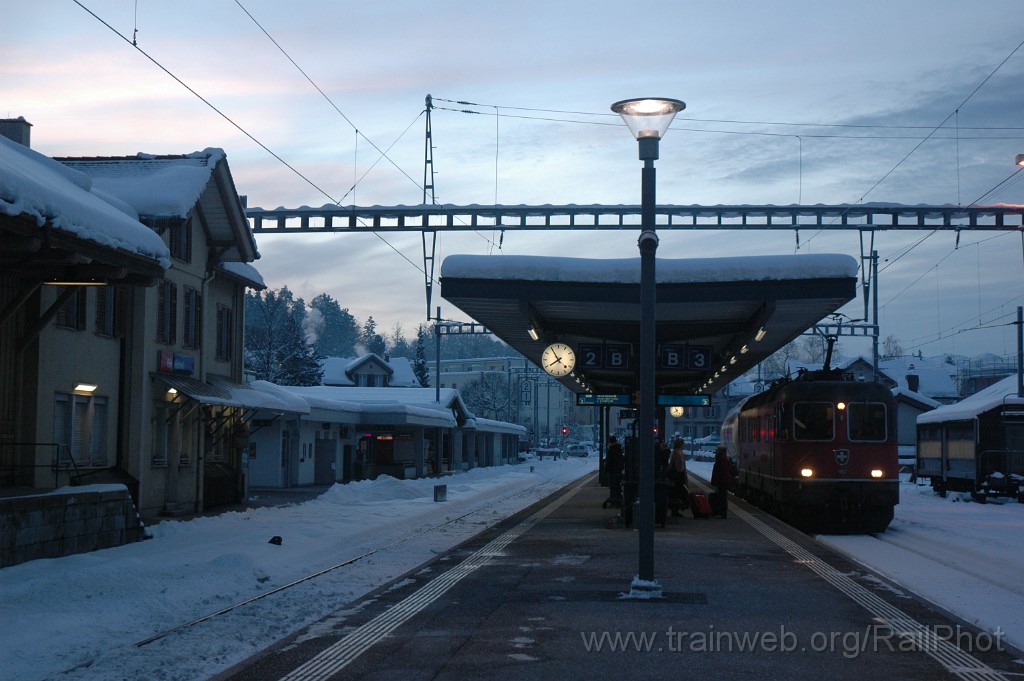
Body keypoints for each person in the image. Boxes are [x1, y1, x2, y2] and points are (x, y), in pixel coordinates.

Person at [710, 445, 734, 518]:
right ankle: (721, 512)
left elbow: (720, 472)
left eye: (717, 450)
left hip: (722, 482)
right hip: (723, 481)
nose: (716, 451)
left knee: (722, 497)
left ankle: (722, 513)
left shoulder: (721, 459)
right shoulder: (723, 458)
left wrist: (716, 483)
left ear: (720, 451)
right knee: (722, 497)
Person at [604, 436, 624, 508]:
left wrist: (605, 471)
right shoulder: (619, 449)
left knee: (612, 487)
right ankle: (618, 501)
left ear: (610, 442)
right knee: (618, 487)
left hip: (612, 471)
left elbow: (608, 462)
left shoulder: (611, 450)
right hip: (618, 471)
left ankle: (613, 502)